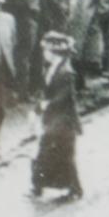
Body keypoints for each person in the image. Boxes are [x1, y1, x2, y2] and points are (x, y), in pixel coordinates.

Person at [29, 58, 85, 203]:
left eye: (48, 49)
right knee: (45, 151)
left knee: (64, 156)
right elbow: (46, 91)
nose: (45, 53)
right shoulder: (51, 67)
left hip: (65, 122)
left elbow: (64, 96)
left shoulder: (66, 72)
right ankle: (38, 185)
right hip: (54, 120)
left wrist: (45, 105)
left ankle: (75, 189)